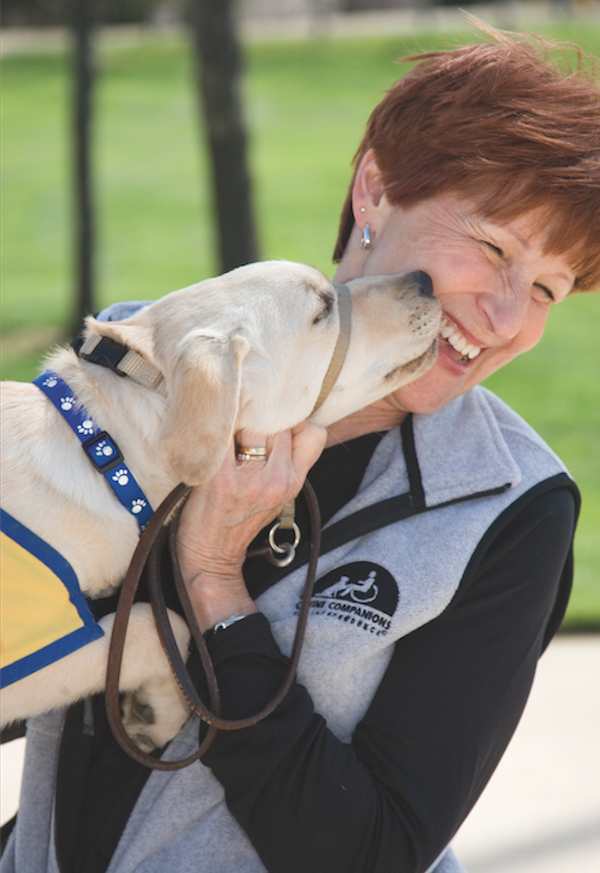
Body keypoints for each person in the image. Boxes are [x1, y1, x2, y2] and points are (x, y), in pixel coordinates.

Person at [3, 26, 600, 873]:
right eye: (494, 247)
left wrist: (215, 582)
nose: (505, 317)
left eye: (546, 289)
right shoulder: (164, 368)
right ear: (376, 188)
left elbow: (374, 850)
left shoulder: (510, 507)